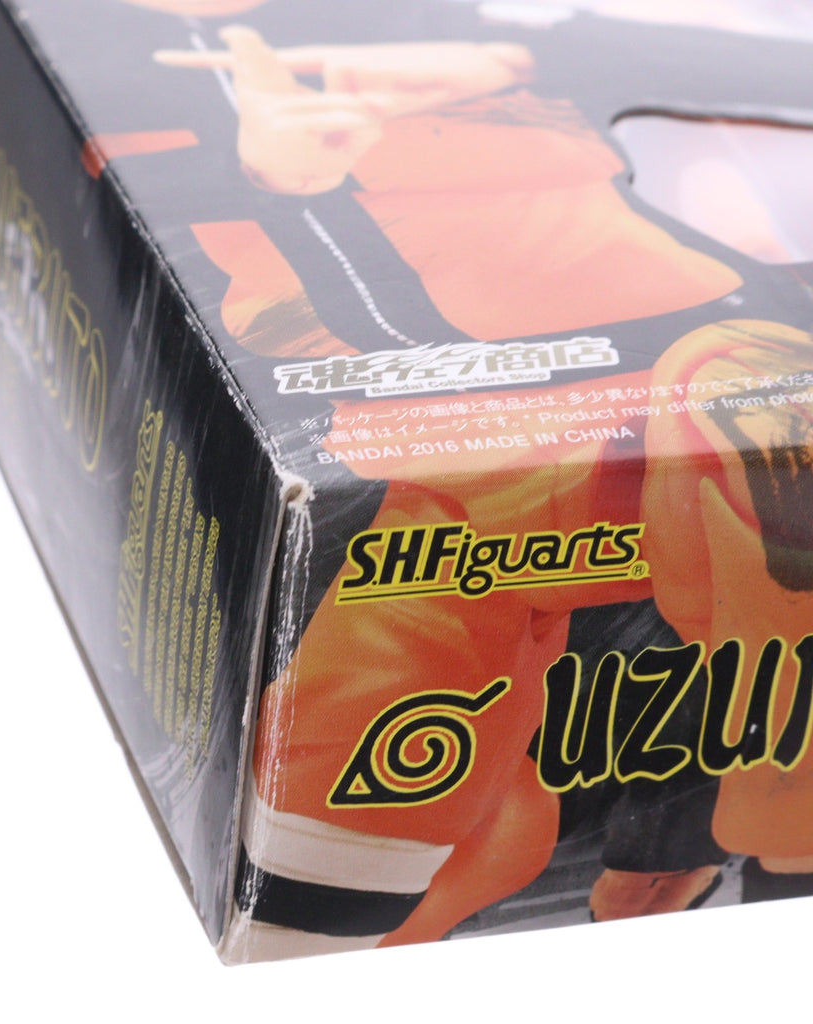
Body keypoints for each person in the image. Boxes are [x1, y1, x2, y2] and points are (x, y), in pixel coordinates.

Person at [95, 0, 813, 956]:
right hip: (451, 421)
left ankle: (778, 834)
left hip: (681, 364)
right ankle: (322, 913)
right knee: (454, 753)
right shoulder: (138, 87)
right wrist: (291, 191)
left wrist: (520, 54)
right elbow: (318, 328)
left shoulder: (450, 39)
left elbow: (735, 77)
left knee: (736, 402)